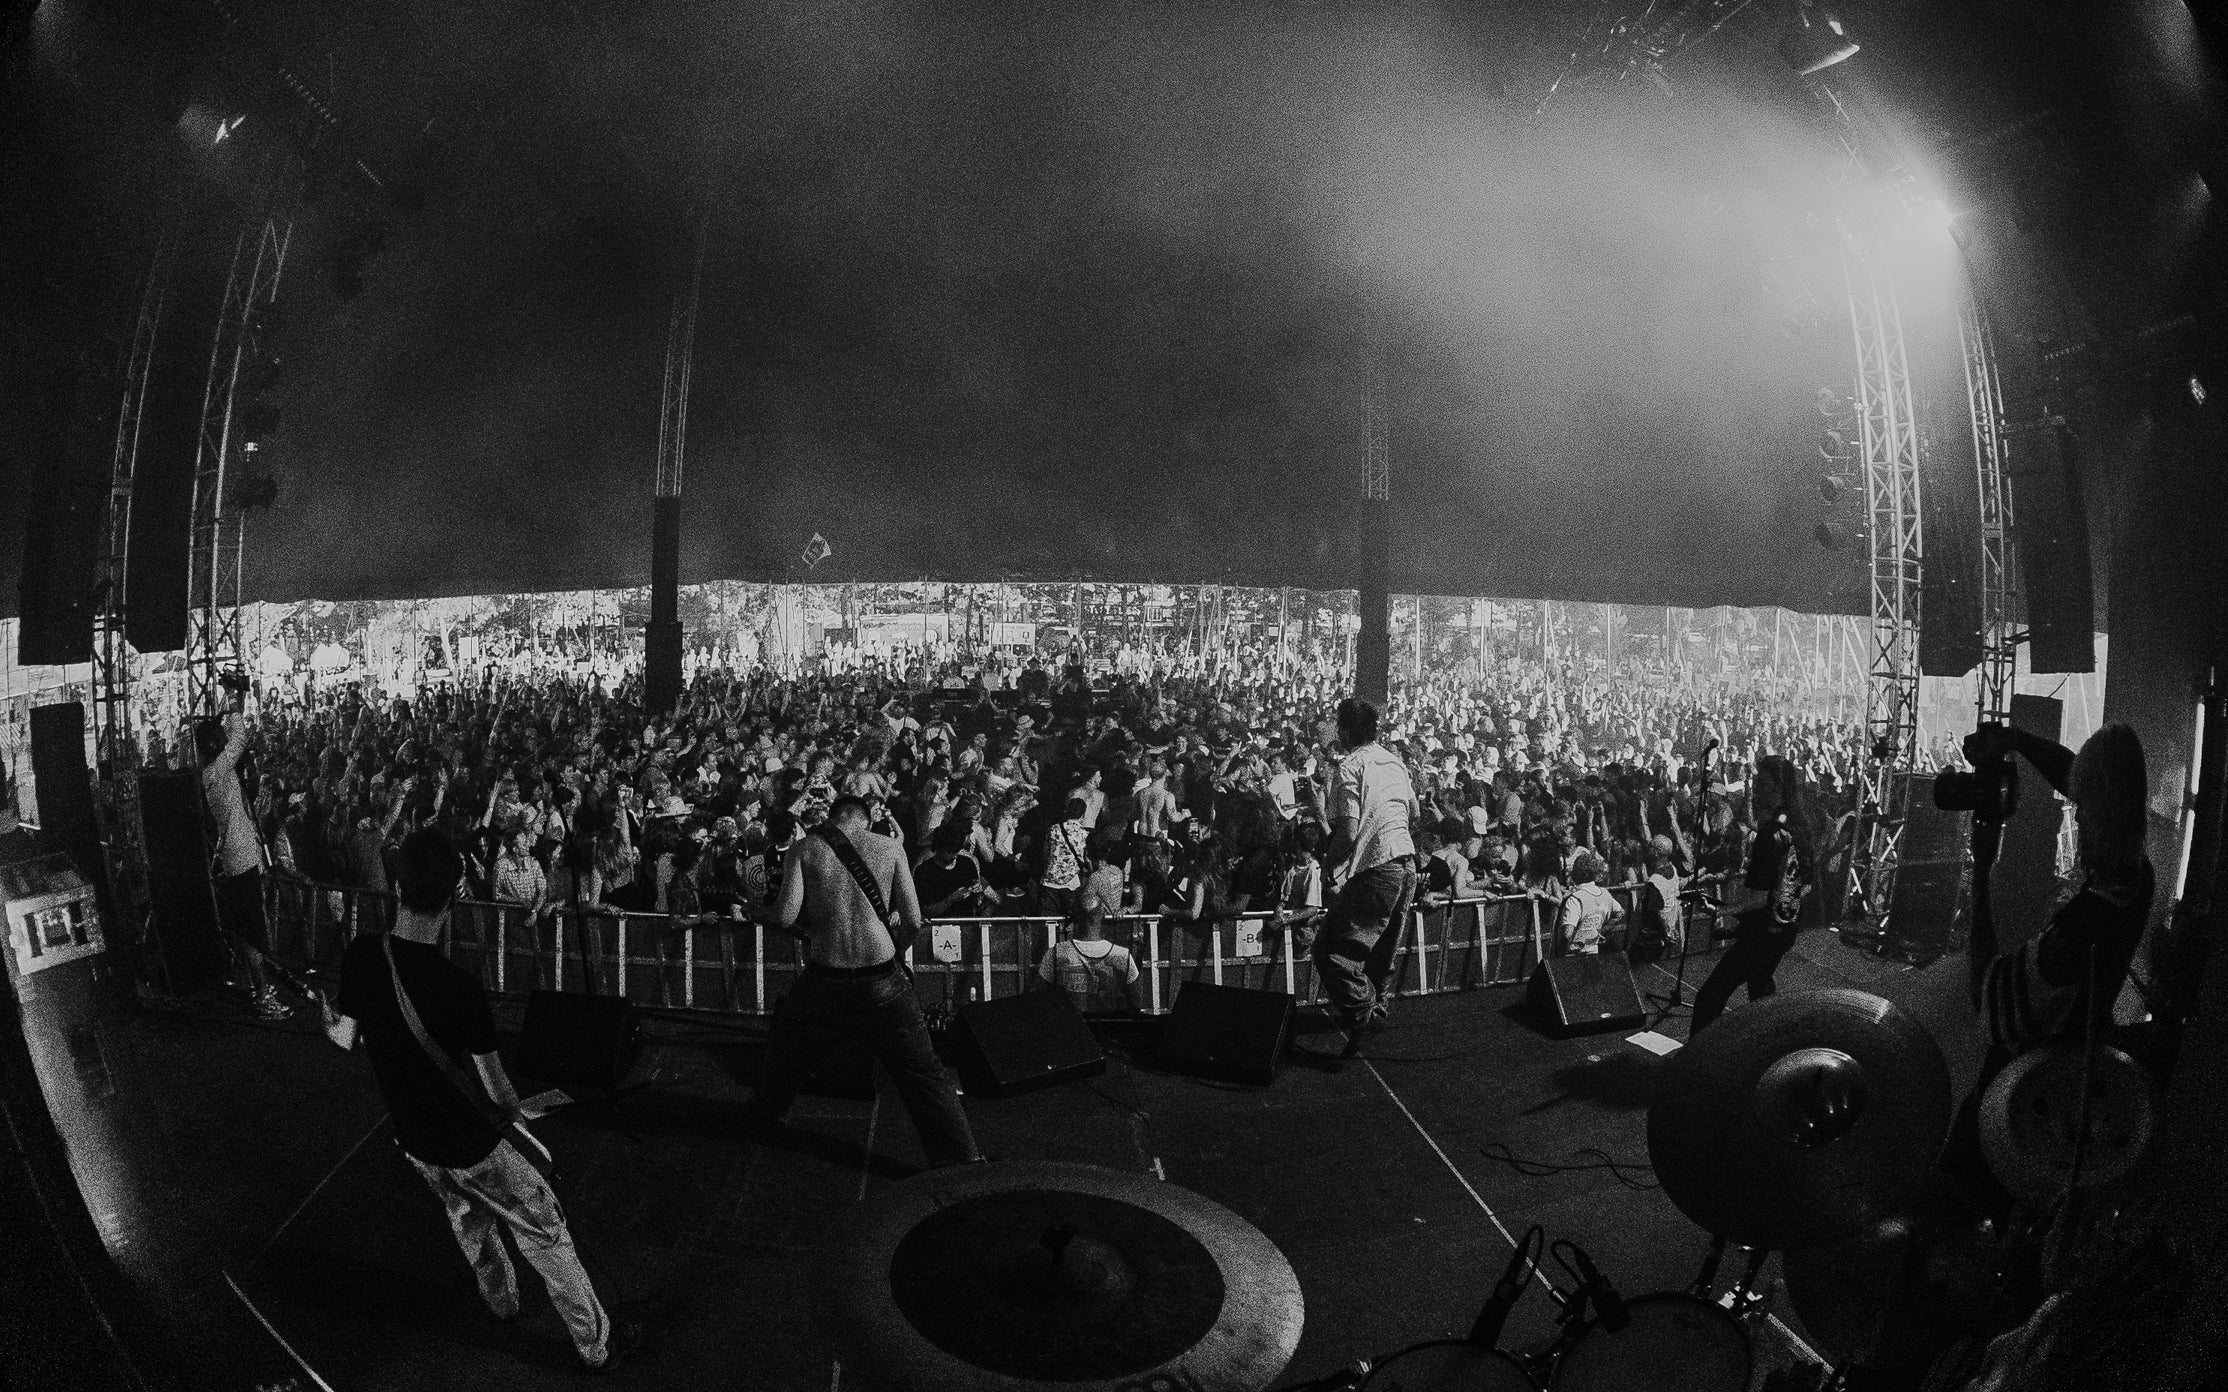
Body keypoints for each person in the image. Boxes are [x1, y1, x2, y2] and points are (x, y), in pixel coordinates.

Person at [320, 830, 637, 1372]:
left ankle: (502, 1302)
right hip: (476, 1147)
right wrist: (524, 1116)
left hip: (417, 1141)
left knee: (468, 1221)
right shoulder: (459, 987)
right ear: (455, 896)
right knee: (546, 1236)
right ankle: (595, 1345)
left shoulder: (363, 956)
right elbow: (497, 1092)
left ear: (398, 886)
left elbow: (345, 1037)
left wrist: (325, 1018)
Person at [1941, 722, 2153, 1226]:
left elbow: (1986, 991)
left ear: (2099, 812)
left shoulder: (2080, 929)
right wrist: (2016, 738)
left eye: (2083, 807)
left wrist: (1982, 873)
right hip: (2074, 1078)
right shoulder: (2137, 877)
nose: (2075, 814)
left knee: (1956, 1203)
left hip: (2027, 1092)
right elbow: (2076, 777)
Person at [741, 795, 981, 1168]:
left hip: (825, 974)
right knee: (923, 1073)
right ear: (865, 821)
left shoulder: (805, 849)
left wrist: (753, 911)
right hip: (881, 975)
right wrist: (894, 952)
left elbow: (785, 917)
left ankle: (764, 1120)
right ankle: (962, 1162)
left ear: (832, 820)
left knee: (787, 1051)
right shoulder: (891, 847)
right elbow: (914, 920)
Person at [1312, 697, 1420, 1058]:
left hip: (1378, 868)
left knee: (1331, 952)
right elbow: (1415, 814)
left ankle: (1366, 1017)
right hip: (1406, 864)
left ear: (1344, 731)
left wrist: (1328, 865)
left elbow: (1347, 833)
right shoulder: (1394, 762)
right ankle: (1374, 1012)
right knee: (1379, 956)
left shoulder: (1350, 767)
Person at [1688, 754, 1814, 1034]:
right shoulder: (1800, 825)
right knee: (1760, 988)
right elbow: (1807, 886)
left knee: (1710, 996)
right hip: (1786, 929)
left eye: (1762, 784)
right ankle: (1775, 1042)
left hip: (1762, 934)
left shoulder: (1770, 834)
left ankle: (1697, 1055)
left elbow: (1757, 899)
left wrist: (1719, 910)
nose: (1756, 790)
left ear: (1778, 787)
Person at [196, 701, 289, 1019]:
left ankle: (256, 986)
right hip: (241, 859)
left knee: (246, 929)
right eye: (220, 738)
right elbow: (240, 737)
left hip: (239, 856)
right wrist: (234, 705)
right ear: (214, 745)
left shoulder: (212, 773)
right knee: (253, 932)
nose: (226, 742)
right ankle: (263, 996)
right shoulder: (216, 771)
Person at [1036, 901, 1140, 1015]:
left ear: (1074, 917)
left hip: (1071, 1024)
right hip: (1108, 1024)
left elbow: (1038, 996)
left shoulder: (1057, 952)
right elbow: (1136, 1003)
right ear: (1103, 916)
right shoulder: (1123, 955)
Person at [1555, 848, 1626, 955]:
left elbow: (1567, 934)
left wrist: (1563, 949)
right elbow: (1620, 913)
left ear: (1575, 874)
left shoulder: (1575, 899)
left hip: (1573, 955)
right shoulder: (1605, 893)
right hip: (1593, 952)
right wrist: (1600, 932)